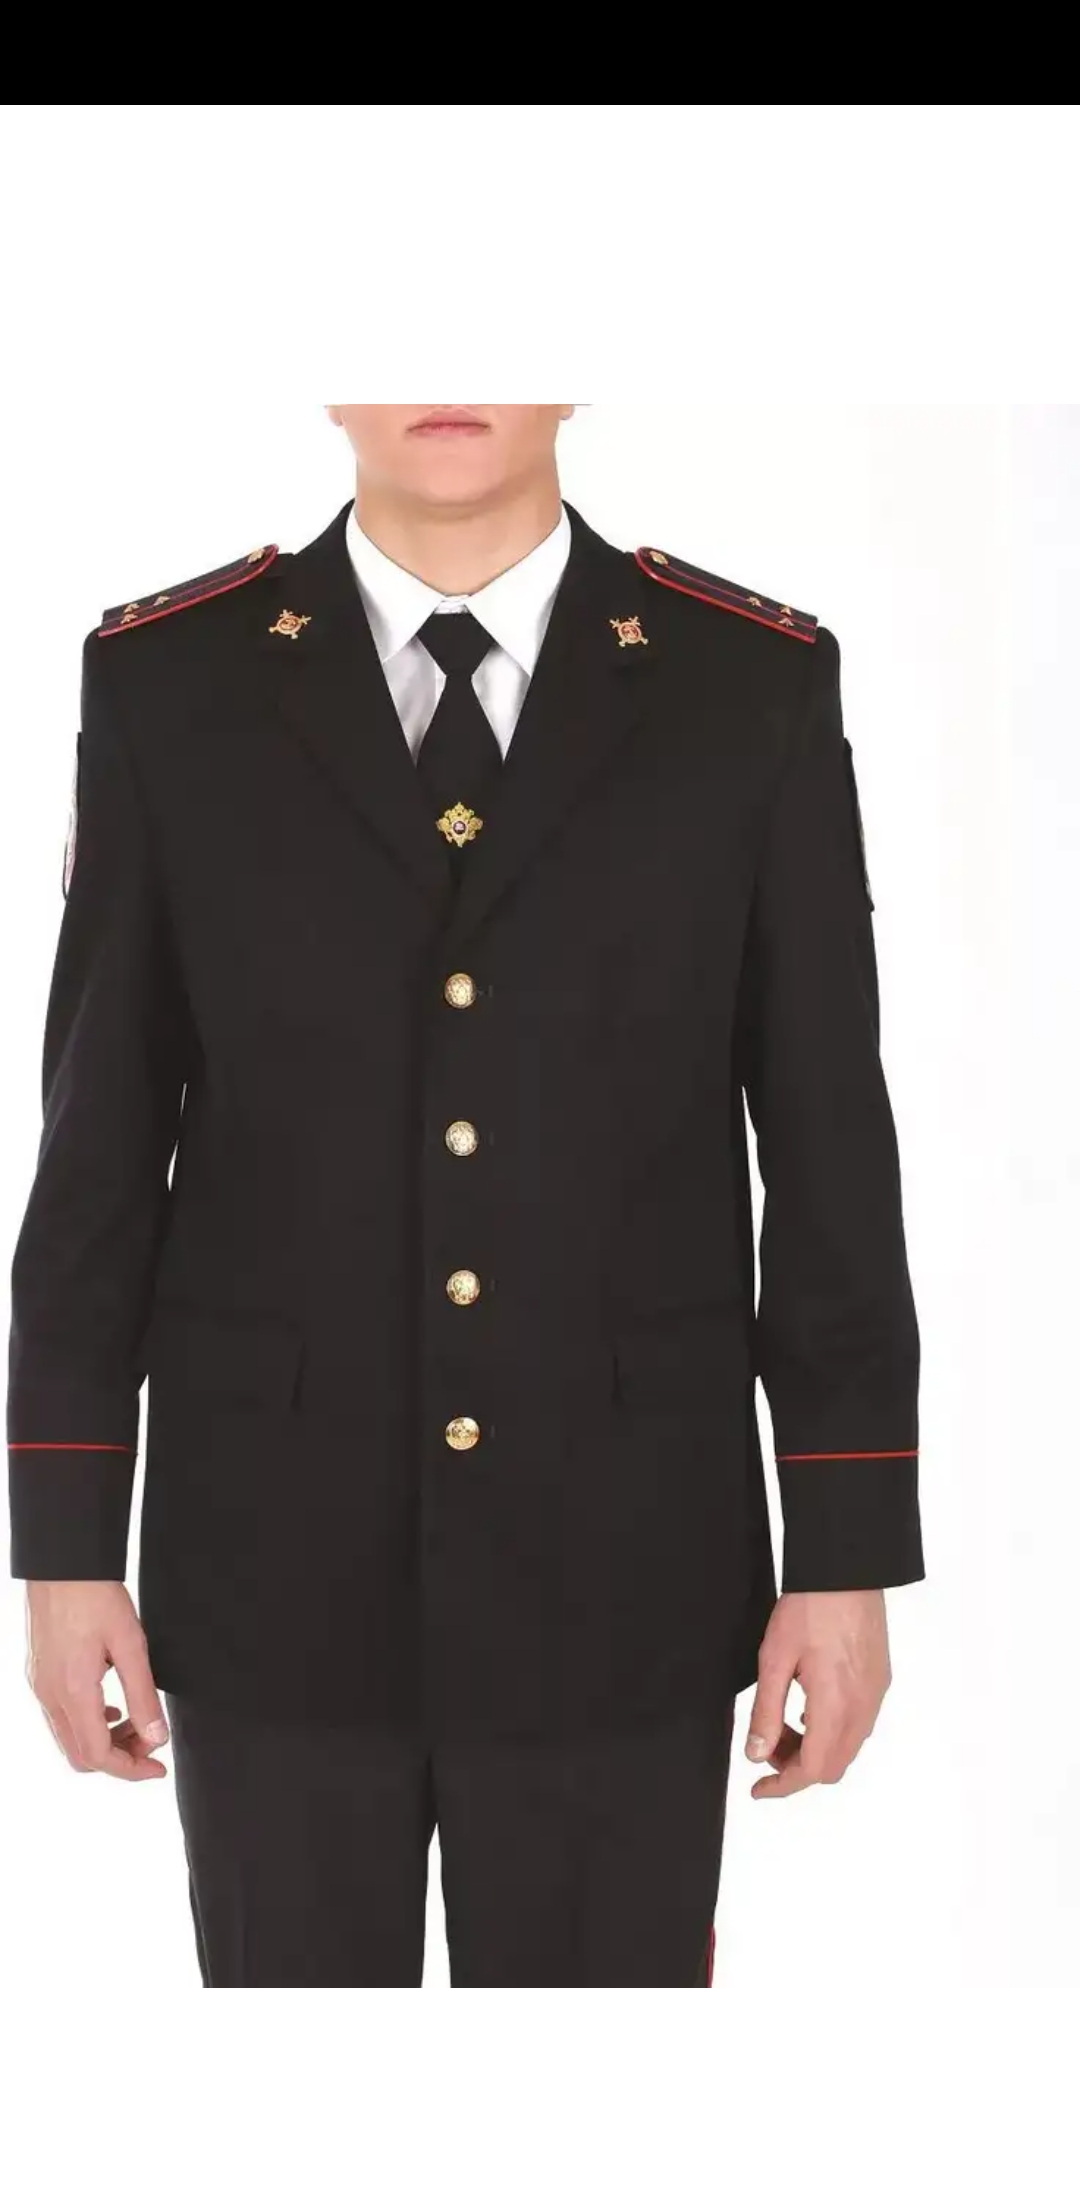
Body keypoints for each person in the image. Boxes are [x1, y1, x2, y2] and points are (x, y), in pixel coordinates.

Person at [8, 405, 922, 1988]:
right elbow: (99, 1146)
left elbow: (829, 1146)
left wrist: (845, 1548)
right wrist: (64, 1537)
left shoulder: (748, 688)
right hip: (272, 1565)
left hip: (629, 1561)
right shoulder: (170, 683)